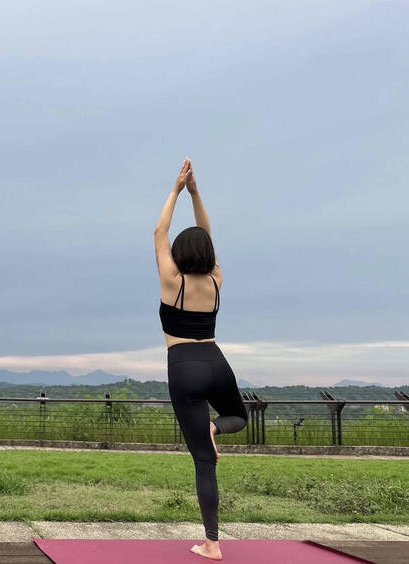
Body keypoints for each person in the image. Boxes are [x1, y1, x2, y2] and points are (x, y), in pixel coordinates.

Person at [154, 158, 248, 561]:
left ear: (178, 253)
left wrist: (176, 189)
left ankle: (212, 544)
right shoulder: (215, 280)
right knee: (240, 418)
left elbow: (160, 231)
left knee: (203, 462)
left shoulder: (171, 281)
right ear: (209, 253)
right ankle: (216, 426)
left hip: (185, 368)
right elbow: (206, 234)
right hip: (216, 361)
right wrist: (196, 192)